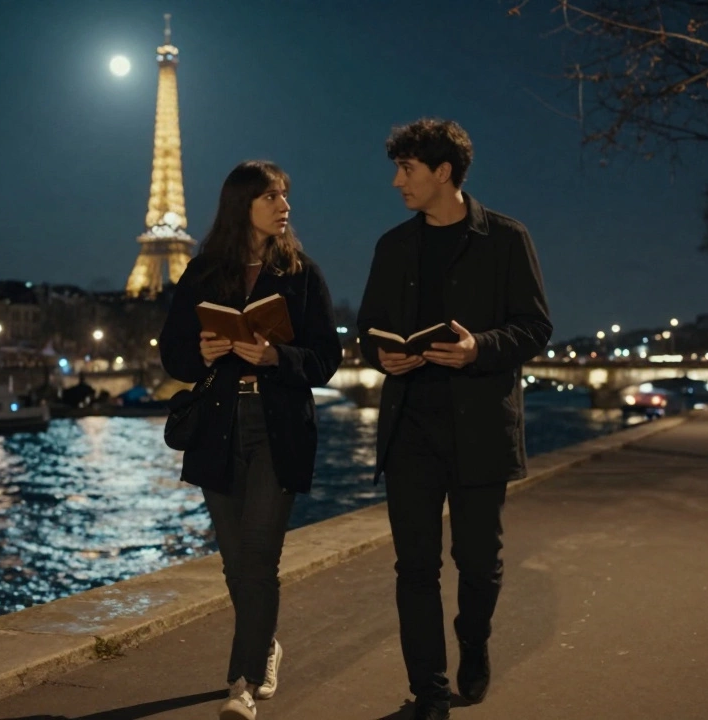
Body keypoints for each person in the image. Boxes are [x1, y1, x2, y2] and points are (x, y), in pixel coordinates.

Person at [356, 118, 552, 720]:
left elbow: (536, 327)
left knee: (479, 561)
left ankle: (473, 639)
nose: (396, 182)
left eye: (407, 169)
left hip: (478, 427)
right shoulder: (393, 246)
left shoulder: (507, 239)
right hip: (411, 424)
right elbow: (368, 327)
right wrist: (380, 353)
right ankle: (430, 692)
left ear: (443, 172)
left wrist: (477, 349)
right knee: (414, 566)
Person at [159, 160, 342, 720]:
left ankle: (239, 683)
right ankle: (264, 646)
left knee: (260, 557)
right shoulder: (204, 271)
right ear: (244, 205)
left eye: (286, 196)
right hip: (218, 425)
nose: (284, 205)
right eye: (271, 197)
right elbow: (174, 352)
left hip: (275, 425)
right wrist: (205, 353)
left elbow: (327, 360)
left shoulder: (301, 273)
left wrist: (275, 357)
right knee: (236, 562)